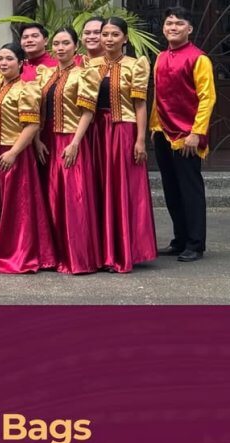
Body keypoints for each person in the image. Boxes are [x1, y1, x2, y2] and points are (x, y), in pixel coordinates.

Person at [88, 17, 156, 273]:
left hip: (122, 130)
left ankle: (125, 251)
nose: (108, 39)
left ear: (125, 38)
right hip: (96, 133)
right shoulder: (89, 65)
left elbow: (140, 104)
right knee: (99, 188)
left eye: (115, 34)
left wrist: (140, 139)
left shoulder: (134, 66)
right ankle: (101, 251)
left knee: (121, 188)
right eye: (105, 34)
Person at [0, 43, 56, 273]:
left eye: (9, 59)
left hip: (15, 152)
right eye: (1, 58)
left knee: (18, 206)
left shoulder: (27, 89)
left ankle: (19, 251)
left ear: (21, 63)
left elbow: (32, 125)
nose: (3, 63)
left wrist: (14, 152)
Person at [151, 5, 216, 262]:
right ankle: (179, 239)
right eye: (169, 24)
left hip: (187, 136)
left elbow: (207, 98)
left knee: (190, 190)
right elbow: (158, 95)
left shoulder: (199, 58)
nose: (173, 28)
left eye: (178, 24)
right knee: (171, 189)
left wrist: (196, 133)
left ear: (188, 29)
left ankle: (195, 243)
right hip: (163, 132)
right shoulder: (160, 57)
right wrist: (154, 127)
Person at [34, 28, 101, 274]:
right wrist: (36, 140)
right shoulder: (47, 74)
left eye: (65, 43)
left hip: (71, 141)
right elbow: (38, 110)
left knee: (74, 199)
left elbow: (88, 111)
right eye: (57, 44)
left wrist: (75, 142)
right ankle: (52, 255)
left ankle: (77, 257)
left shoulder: (84, 74)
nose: (60, 48)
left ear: (76, 46)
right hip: (47, 142)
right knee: (50, 199)